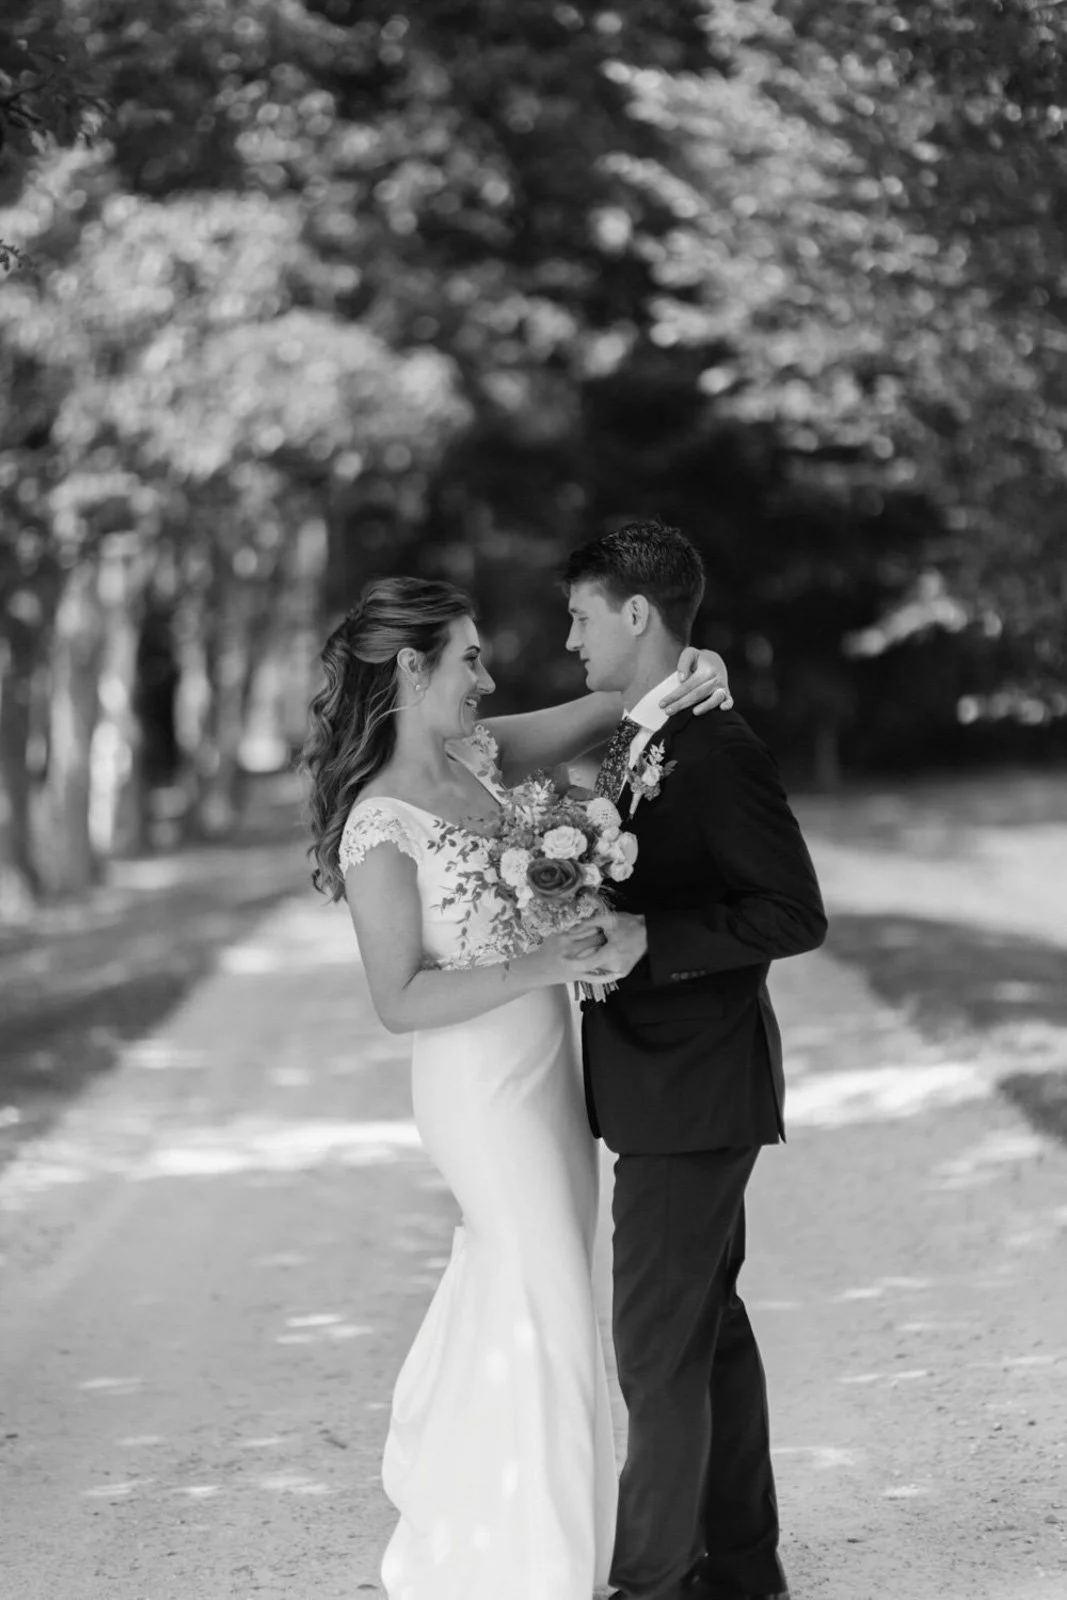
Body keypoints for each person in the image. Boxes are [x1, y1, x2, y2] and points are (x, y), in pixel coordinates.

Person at [300, 575, 732, 1600]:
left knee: (546, 1294)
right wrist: (543, 965)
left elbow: (604, 703)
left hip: (545, 1069)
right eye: (469, 660)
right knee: (543, 1289)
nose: (486, 680)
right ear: (410, 668)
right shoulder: (379, 825)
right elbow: (398, 1000)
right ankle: (540, 1567)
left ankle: (528, 1530)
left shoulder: (476, 756)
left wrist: (687, 670)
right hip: (479, 1089)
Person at [564, 522, 828, 1600]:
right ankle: (741, 1565)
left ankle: (653, 1582)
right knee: (704, 1332)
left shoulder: (715, 750)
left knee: (654, 1354)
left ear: (635, 613)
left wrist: (646, 943)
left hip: (691, 1088)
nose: (569, 639)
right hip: (672, 1084)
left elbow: (792, 911)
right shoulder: (648, 732)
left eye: (580, 616)